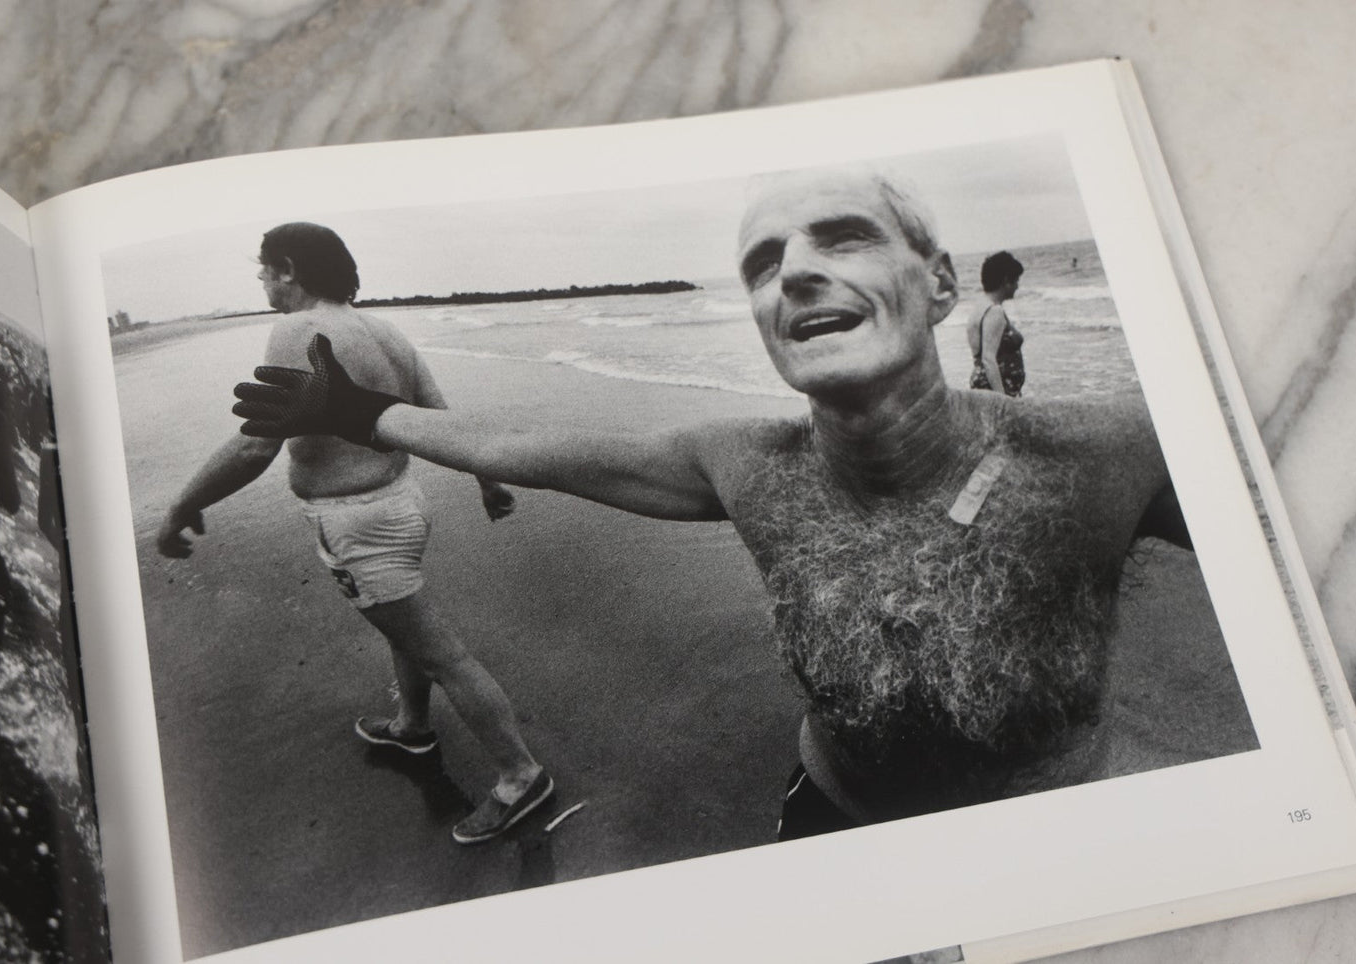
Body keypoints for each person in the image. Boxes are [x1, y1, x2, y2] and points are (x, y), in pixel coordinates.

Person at [232, 171, 1192, 840]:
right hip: (833, 818)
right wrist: (358, 411)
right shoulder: (750, 467)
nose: (795, 272)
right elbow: (523, 446)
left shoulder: (1109, 455)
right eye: (764, 264)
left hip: (1059, 839)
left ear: (939, 282)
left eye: (843, 237)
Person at [156, 222, 551, 844]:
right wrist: (487, 479)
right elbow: (441, 417)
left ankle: (520, 775)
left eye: (263, 267)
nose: (260, 279)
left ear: (289, 268)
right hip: (403, 503)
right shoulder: (383, 330)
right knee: (404, 627)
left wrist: (184, 503)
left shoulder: (296, 330)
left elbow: (257, 445)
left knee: (443, 654)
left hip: (359, 526)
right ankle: (412, 725)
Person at [966, 250, 1026, 396]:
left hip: (983, 388)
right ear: (1006, 281)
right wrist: (1002, 401)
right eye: (1016, 280)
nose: (1017, 286)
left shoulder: (979, 308)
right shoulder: (995, 311)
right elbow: (988, 359)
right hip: (996, 391)